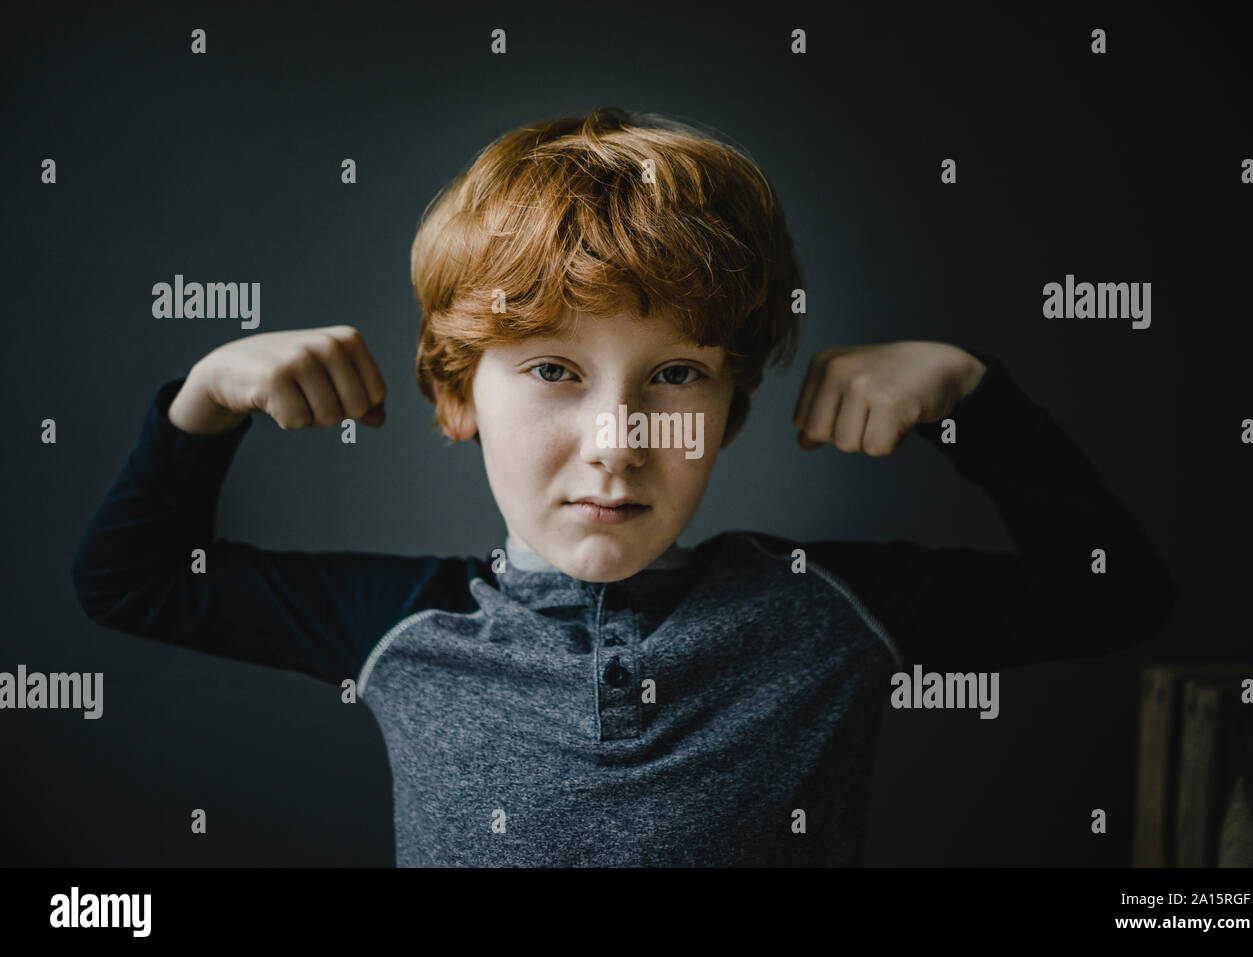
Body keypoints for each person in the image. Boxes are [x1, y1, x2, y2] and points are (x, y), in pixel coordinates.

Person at [72, 107, 1176, 866]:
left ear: (730, 407)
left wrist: (969, 398)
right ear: (458, 394)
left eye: (677, 375)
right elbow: (130, 583)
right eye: (553, 370)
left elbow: (1115, 593)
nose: (617, 439)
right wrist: (206, 399)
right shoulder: (398, 628)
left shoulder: (823, 613)